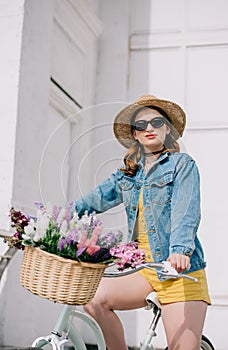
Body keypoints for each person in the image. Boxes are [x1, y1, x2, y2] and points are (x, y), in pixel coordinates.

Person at [73, 94, 211, 350]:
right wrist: (50, 221)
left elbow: (186, 210)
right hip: (144, 269)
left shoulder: (182, 164)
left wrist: (180, 250)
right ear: (134, 134)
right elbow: (95, 199)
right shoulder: (128, 173)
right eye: (141, 125)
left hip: (179, 271)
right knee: (92, 299)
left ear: (167, 129)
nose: (149, 128)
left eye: (156, 122)